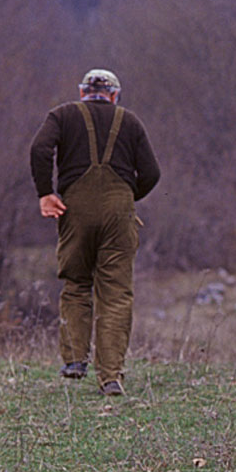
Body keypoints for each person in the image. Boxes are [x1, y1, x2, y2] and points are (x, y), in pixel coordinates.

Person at [29, 69, 161, 396]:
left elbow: (39, 149)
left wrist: (46, 193)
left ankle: (74, 360)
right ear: (114, 95)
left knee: (76, 283)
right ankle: (111, 378)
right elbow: (152, 173)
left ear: (82, 92)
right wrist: (126, 198)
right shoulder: (129, 121)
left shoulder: (61, 115)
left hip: (75, 209)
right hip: (119, 214)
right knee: (115, 295)